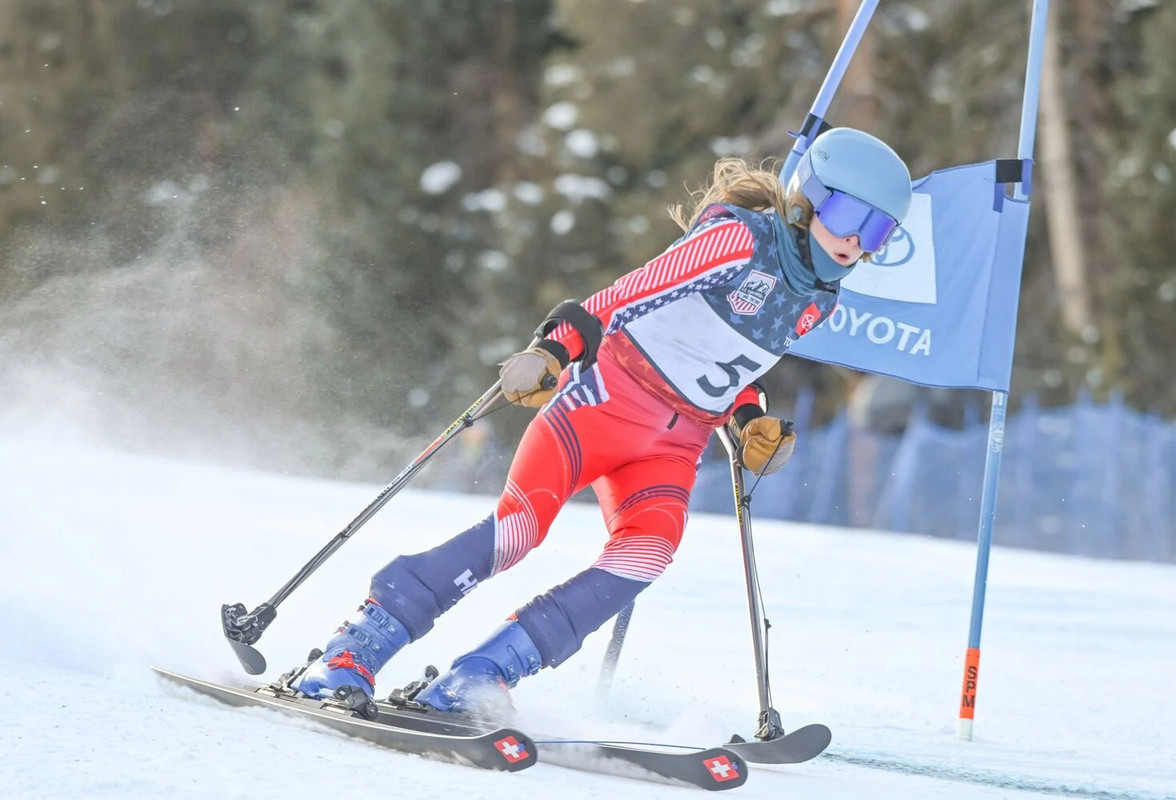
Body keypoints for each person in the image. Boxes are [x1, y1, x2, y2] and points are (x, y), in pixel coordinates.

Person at [288, 127, 913, 715]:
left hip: (674, 445)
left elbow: (736, 363)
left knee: (647, 554)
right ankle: (354, 648)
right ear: (808, 200)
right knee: (519, 531)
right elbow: (629, 294)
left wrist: (750, 421)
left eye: (879, 231)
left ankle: (483, 674)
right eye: (848, 216)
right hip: (606, 400)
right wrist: (553, 349)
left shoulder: (820, 301)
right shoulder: (736, 242)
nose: (857, 241)